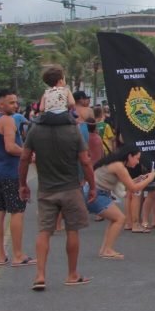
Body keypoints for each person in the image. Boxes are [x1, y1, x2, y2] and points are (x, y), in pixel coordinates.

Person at [19, 110, 95, 290]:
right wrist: (92, 185)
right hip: (70, 187)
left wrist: (22, 184)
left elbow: (24, 157)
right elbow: (85, 160)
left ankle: (40, 275)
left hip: (46, 188)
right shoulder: (73, 130)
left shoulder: (35, 130)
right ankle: (72, 274)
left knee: (44, 231)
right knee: (72, 230)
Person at [0, 89, 33, 267]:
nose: (16, 105)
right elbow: (10, 147)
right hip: (11, 173)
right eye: (11, 102)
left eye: (16, 102)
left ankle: (1, 255)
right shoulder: (7, 120)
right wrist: (28, 154)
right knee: (17, 212)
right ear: (1, 104)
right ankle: (18, 254)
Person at [85, 144, 155, 259]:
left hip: (96, 193)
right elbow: (133, 188)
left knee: (115, 219)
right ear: (129, 156)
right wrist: (150, 179)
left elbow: (127, 185)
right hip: (96, 194)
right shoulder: (119, 166)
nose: (137, 162)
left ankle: (105, 249)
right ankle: (107, 250)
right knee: (120, 218)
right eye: (137, 158)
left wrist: (139, 179)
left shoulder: (117, 163)